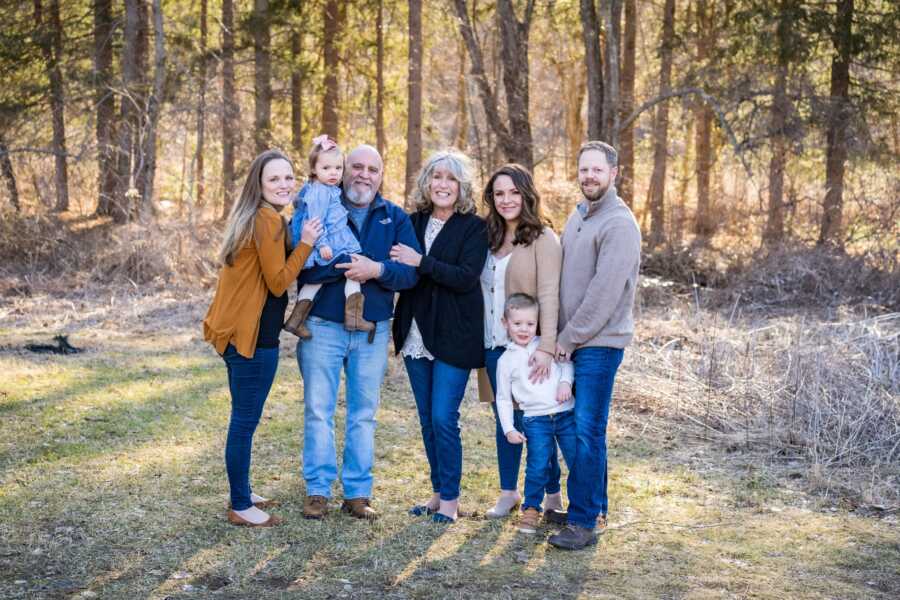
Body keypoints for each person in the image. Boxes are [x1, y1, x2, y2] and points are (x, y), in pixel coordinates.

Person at [295, 144, 420, 521]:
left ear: (382, 176)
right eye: (357, 167)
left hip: (372, 332)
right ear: (342, 170)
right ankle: (318, 491)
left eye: (373, 169)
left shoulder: (393, 218)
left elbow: (410, 274)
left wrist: (377, 270)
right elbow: (300, 267)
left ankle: (357, 493)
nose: (364, 174)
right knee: (319, 410)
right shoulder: (317, 206)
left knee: (363, 413)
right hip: (322, 327)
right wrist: (346, 266)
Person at [203, 149, 323, 527]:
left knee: (244, 419)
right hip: (252, 340)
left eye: (289, 177)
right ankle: (241, 505)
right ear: (259, 184)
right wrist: (305, 243)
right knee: (244, 421)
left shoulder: (255, 217)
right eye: (274, 179)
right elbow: (277, 282)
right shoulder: (268, 220)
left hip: (238, 334)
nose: (284, 184)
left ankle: (243, 490)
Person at [548, 141, 641, 550]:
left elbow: (604, 295)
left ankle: (584, 522)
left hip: (598, 344)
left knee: (588, 431)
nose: (588, 176)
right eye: (583, 169)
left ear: (614, 173)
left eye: (597, 170)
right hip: (575, 341)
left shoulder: (619, 224)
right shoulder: (579, 214)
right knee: (581, 430)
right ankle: (593, 507)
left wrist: (567, 338)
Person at [391, 150, 488, 523]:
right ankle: (437, 492)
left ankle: (451, 500)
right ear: (426, 182)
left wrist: (421, 263)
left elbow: (465, 277)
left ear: (461, 186)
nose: (443, 184)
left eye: (451, 178)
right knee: (427, 418)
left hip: (454, 335)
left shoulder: (474, 227)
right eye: (437, 177)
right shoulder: (411, 222)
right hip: (415, 331)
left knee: (444, 417)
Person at [477, 164, 564, 520]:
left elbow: (550, 295)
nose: (506, 199)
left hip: (530, 348)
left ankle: (552, 495)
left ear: (527, 194)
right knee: (505, 418)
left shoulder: (543, 238)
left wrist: (546, 347)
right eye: (499, 193)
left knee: (539, 421)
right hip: (492, 344)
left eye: (514, 192)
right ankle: (509, 491)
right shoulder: (486, 236)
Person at [494, 294, 575, 535]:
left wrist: (565, 384)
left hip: (564, 414)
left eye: (530, 324)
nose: (524, 329)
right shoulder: (505, 360)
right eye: (517, 323)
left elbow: (566, 364)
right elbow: (503, 398)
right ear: (505, 323)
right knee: (538, 464)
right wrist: (509, 428)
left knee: (576, 461)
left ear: (537, 323)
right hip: (535, 419)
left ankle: (580, 509)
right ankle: (531, 509)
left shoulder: (545, 345)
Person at [284, 135, 372, 339]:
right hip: (327, 244)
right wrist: (322, 244)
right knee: (353, 267)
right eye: (326, 168)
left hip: (331, 242)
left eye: (338, 168)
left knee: (316, 281)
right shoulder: (319, 193)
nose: (333, 173)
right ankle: (354, 317)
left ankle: (295, 320)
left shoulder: (326, 189)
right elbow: (315, 220)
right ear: (314, 169)